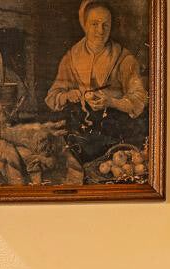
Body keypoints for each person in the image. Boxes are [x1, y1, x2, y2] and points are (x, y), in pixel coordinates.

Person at [45, 0, 148, 163]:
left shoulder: (124, 58)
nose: (100, 31)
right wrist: (67, 95)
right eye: (95, 24)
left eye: (105, 25)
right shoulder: (71, 57)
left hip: (115, 140)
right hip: (79, 138)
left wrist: (112, 102)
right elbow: (52, 97)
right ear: (84, 25)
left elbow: (140, 99)